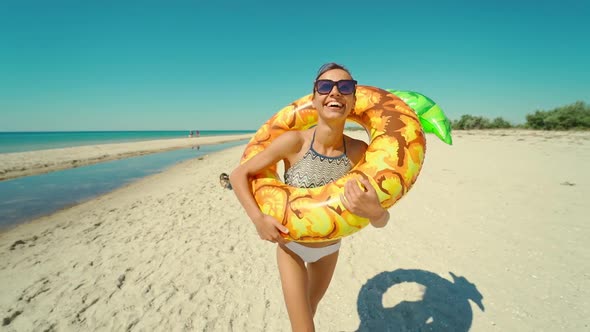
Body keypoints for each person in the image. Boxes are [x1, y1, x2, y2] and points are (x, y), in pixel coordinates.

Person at [230, 63, 390, 332]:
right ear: (314, 99)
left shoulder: (360, 152)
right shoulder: (294, 142)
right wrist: (258, 219)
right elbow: (239, 175)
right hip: (290, 246)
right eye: (325, 86)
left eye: (345, 87)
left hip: (330, 249)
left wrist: (375, 212)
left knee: (310, 310)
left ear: (353, 101)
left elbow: (382, 219)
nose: (335, 93)